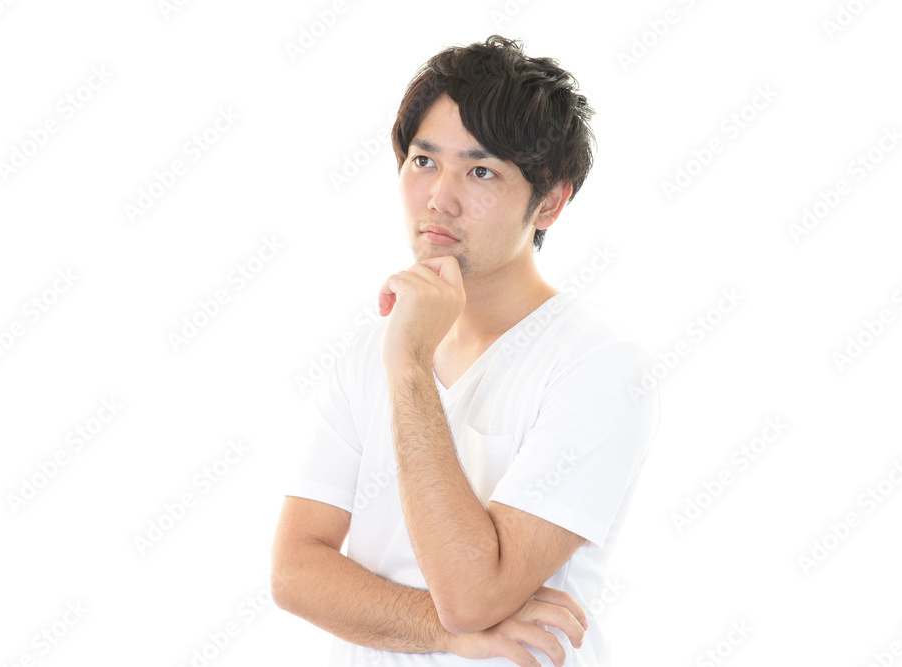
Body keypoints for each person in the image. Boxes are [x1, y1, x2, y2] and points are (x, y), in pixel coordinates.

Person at [271, 35, 660, 665]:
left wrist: (409, 366)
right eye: (424, 161)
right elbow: (294, 572)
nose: (439, 198)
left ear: (550, 202)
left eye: (481, 172)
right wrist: (446, 634)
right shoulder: (368, 354)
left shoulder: (597, 366)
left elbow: (473, 596)